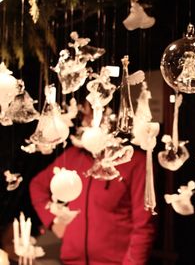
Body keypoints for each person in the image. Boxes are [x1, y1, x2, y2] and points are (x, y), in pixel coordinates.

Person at [29, 104, 157, 264]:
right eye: (85, 114)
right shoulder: (72, 156)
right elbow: (37, 186)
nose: (87, 120)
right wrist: (54, 221)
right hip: (71, 261)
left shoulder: (134, 162)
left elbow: (144, 226)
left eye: (94, 113)